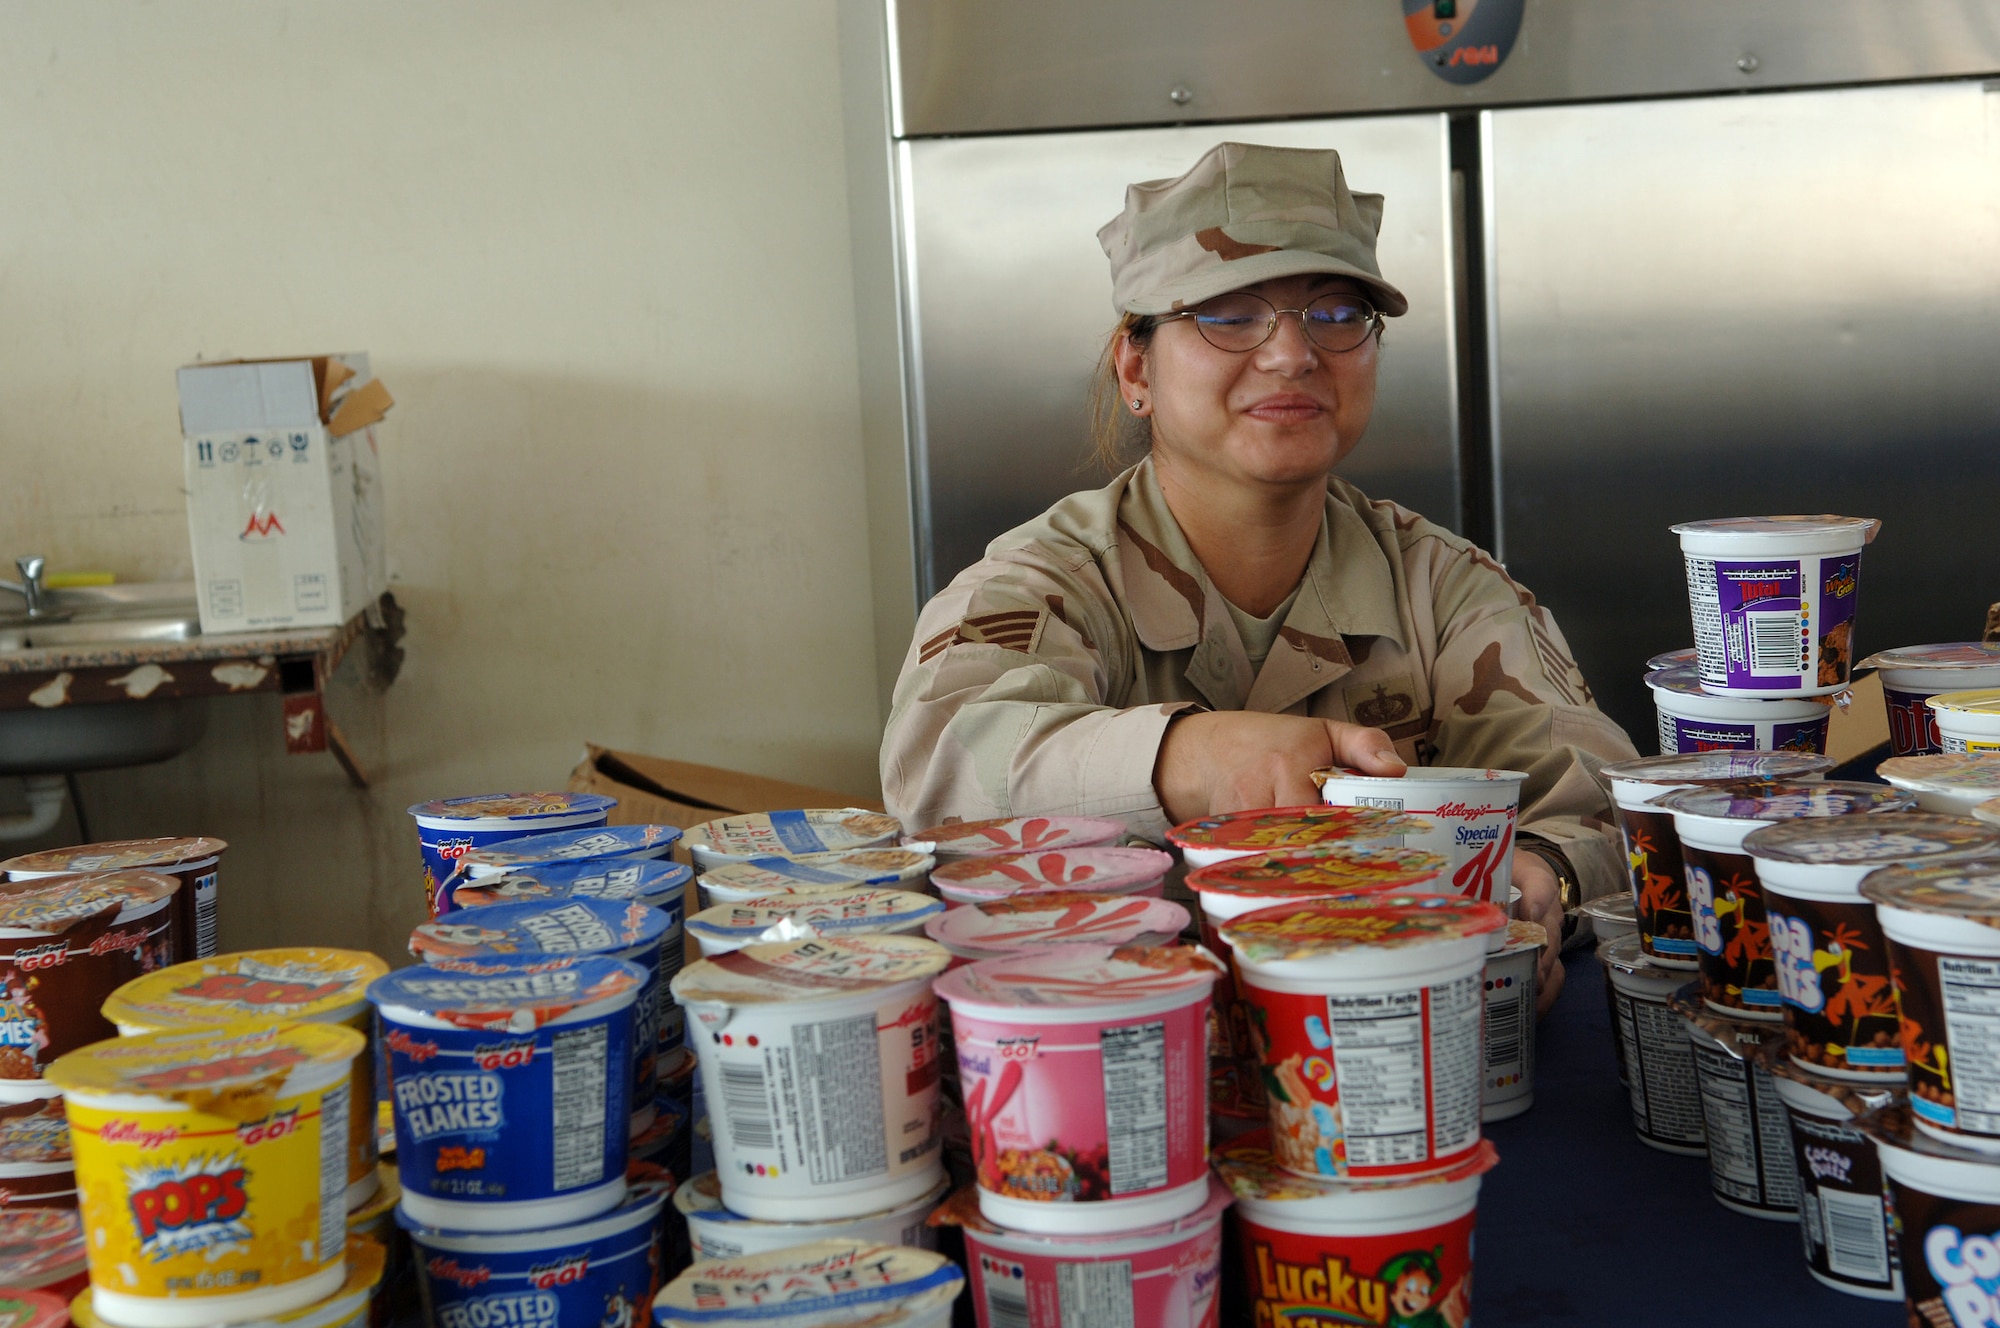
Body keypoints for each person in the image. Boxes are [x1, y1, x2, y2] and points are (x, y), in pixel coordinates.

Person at [880, 142, 1638, 1010]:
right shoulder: (1049, 583)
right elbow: (933, 780)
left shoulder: (1445, 589)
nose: (1292, 355)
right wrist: (1181, 758)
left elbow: (1609, 808)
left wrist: (1543, 876)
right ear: (1137, 369)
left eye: (1336, 313)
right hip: (1123, 1066)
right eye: (1229, 313)